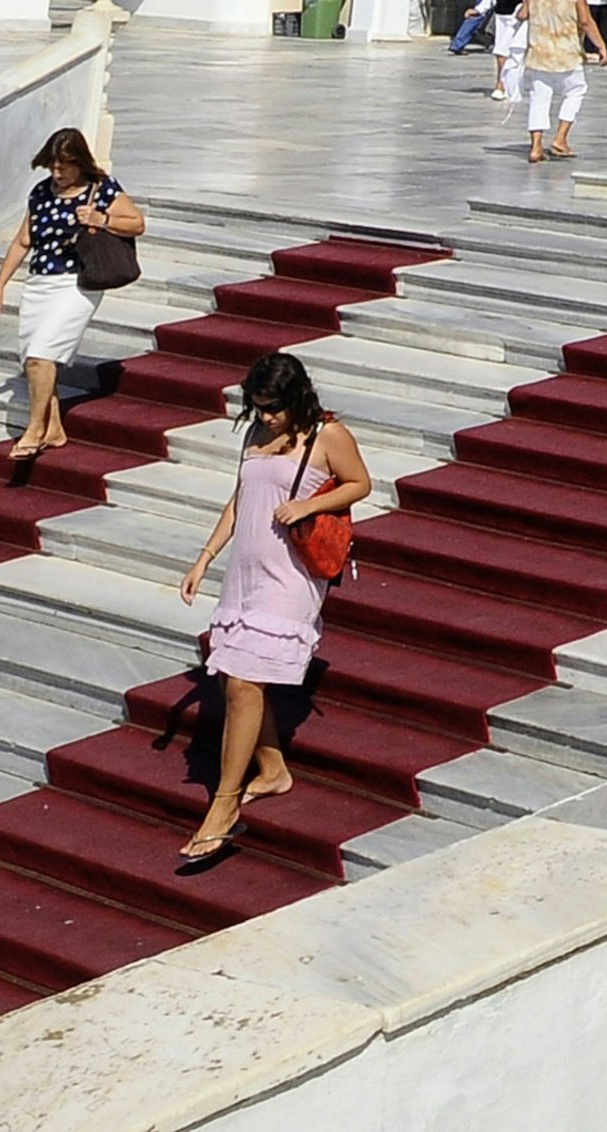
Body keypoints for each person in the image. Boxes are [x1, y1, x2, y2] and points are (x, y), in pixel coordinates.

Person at [175, 349, 371, 873]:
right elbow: (240, 499)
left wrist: (309, 505)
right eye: (257, 407)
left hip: (292, 577)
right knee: (231, 676)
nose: (264, 418)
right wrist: (204, 557)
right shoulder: (255, 435)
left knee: (243, 684)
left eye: (273, 409)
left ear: (296, 398)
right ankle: (274, 769)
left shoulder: (328, 435)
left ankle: (223, 803)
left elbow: (360, 484)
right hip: (246, 572)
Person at [0, 128, 146, 458]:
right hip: (40, 282)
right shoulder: (41, 192)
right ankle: (54, 429)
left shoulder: (102, 188)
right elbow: (22, 241)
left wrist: (101, 218)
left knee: (43, 354)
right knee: (33, 360)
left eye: (64, 167)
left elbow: (137, 223)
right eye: (52, 166)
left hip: (77, 282)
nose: (57, 173)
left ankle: (34, 428)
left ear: (79, 163)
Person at [522, 0, 607, 164]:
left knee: (539, 99)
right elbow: (585, 21)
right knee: (576, 90)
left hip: (538, 54)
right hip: (566, 54)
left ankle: (535, 146)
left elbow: (522, 14)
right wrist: (601, 46)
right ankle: (560, 138)